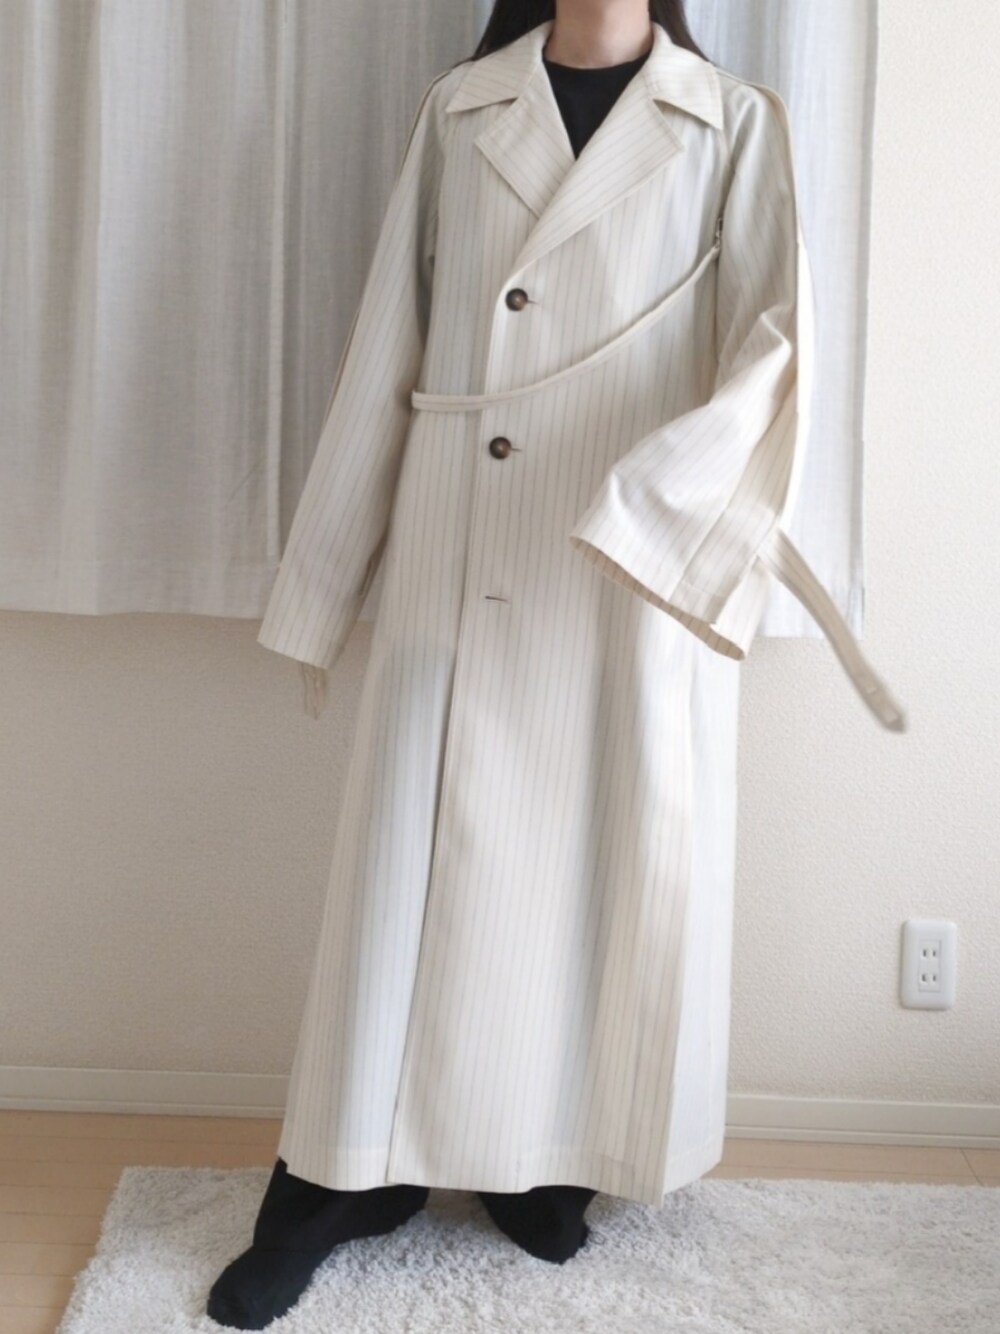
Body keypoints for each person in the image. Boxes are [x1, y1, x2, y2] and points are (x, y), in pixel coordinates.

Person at [207, 0, 905, 1327]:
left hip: (625, 564)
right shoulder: (463, 107)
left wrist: (656, 508)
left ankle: (544, 1158)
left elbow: (774, 354)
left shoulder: (732, 122)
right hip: (460, 538)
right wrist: (324, 581)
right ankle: (339, 1178)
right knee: (407, 875)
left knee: (587, 879)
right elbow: (389, 341)